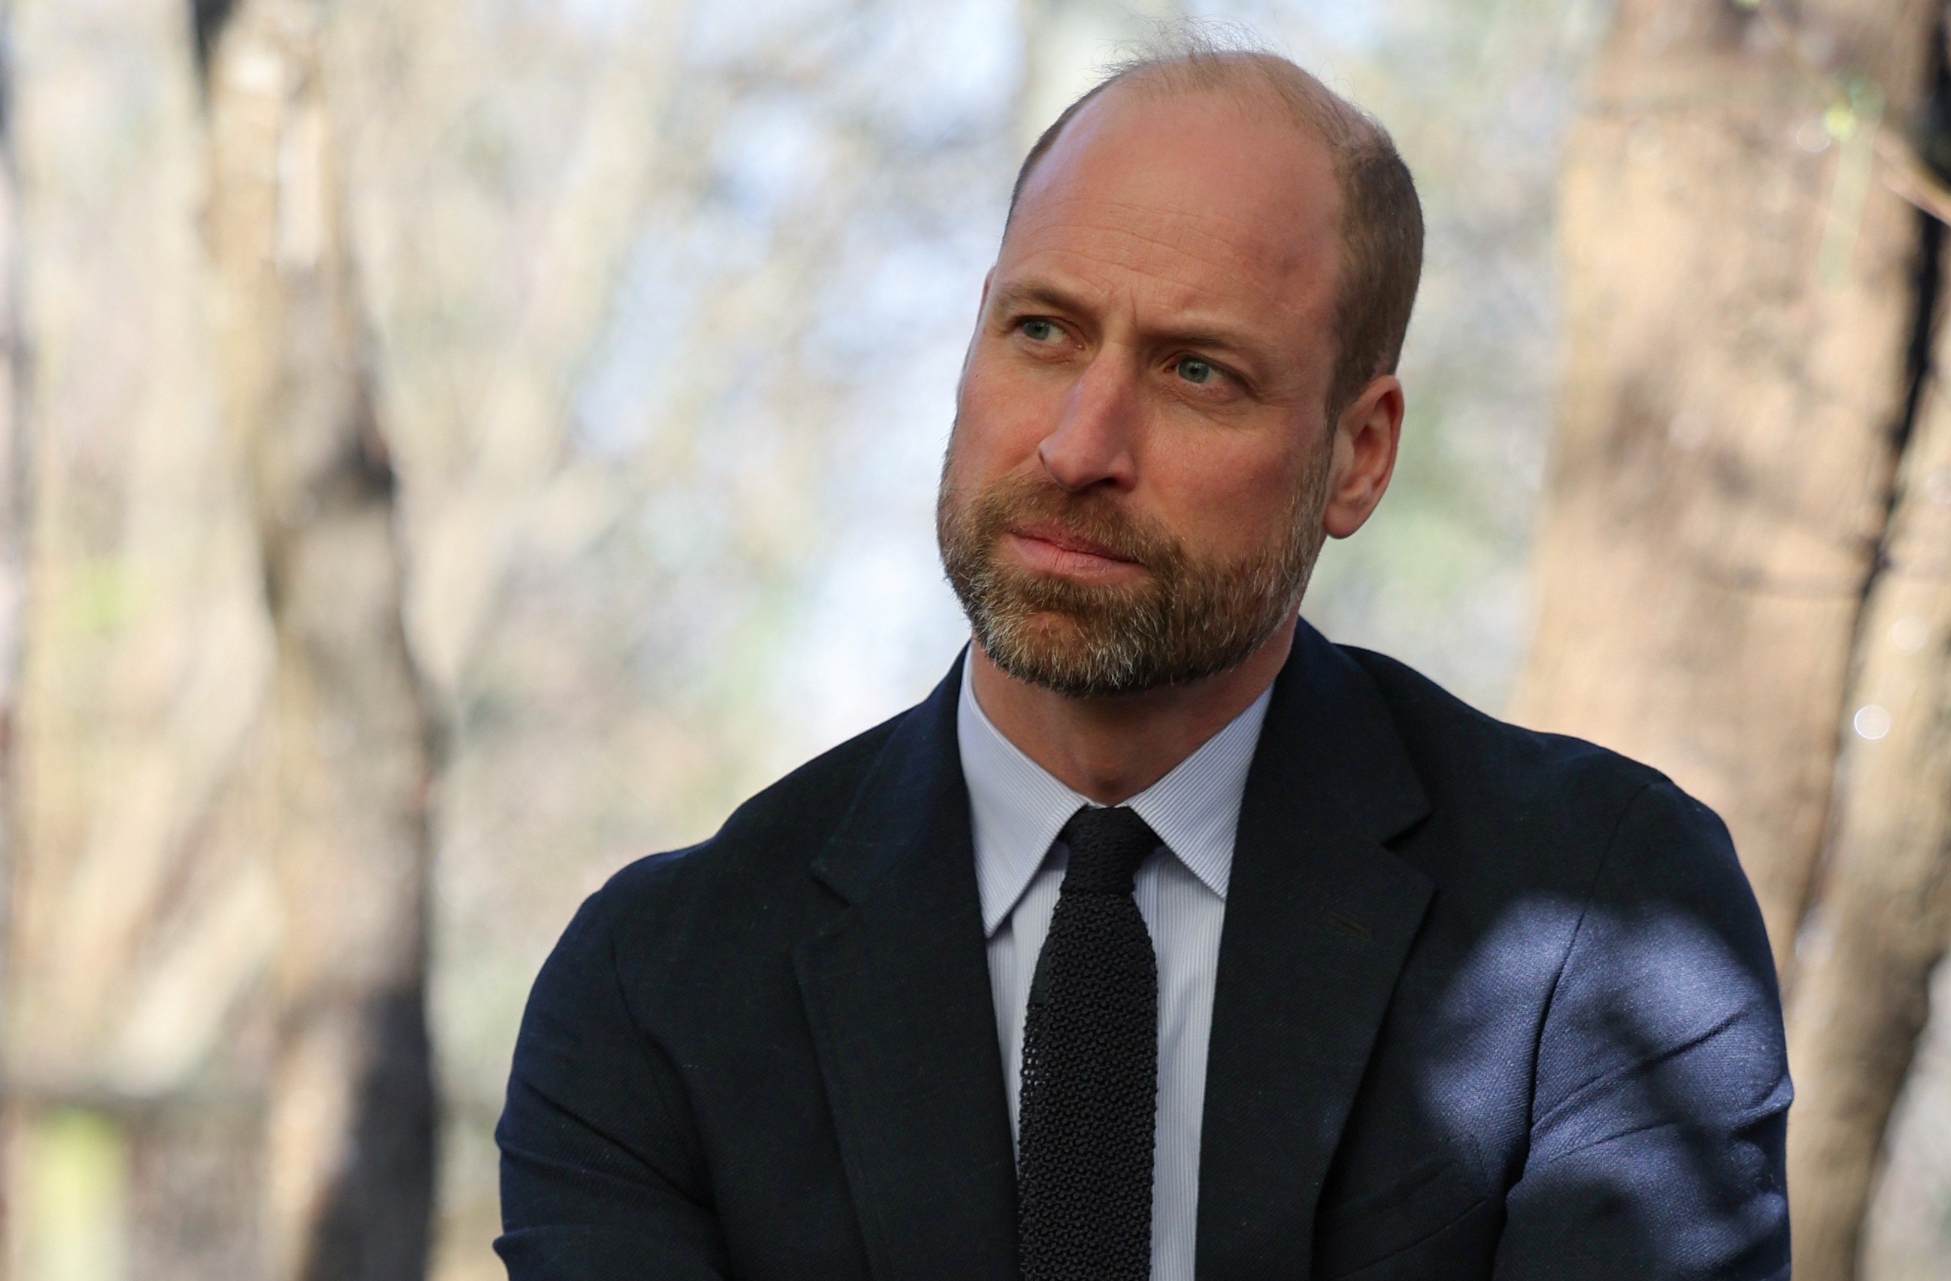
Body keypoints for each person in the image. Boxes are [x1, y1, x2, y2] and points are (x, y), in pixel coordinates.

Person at [496, 39, 1790, 1281]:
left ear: (1358, 456)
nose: (1078, 445)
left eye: (1194, 369)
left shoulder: (1600, 916)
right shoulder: (657, 988)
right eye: (1042, 332)